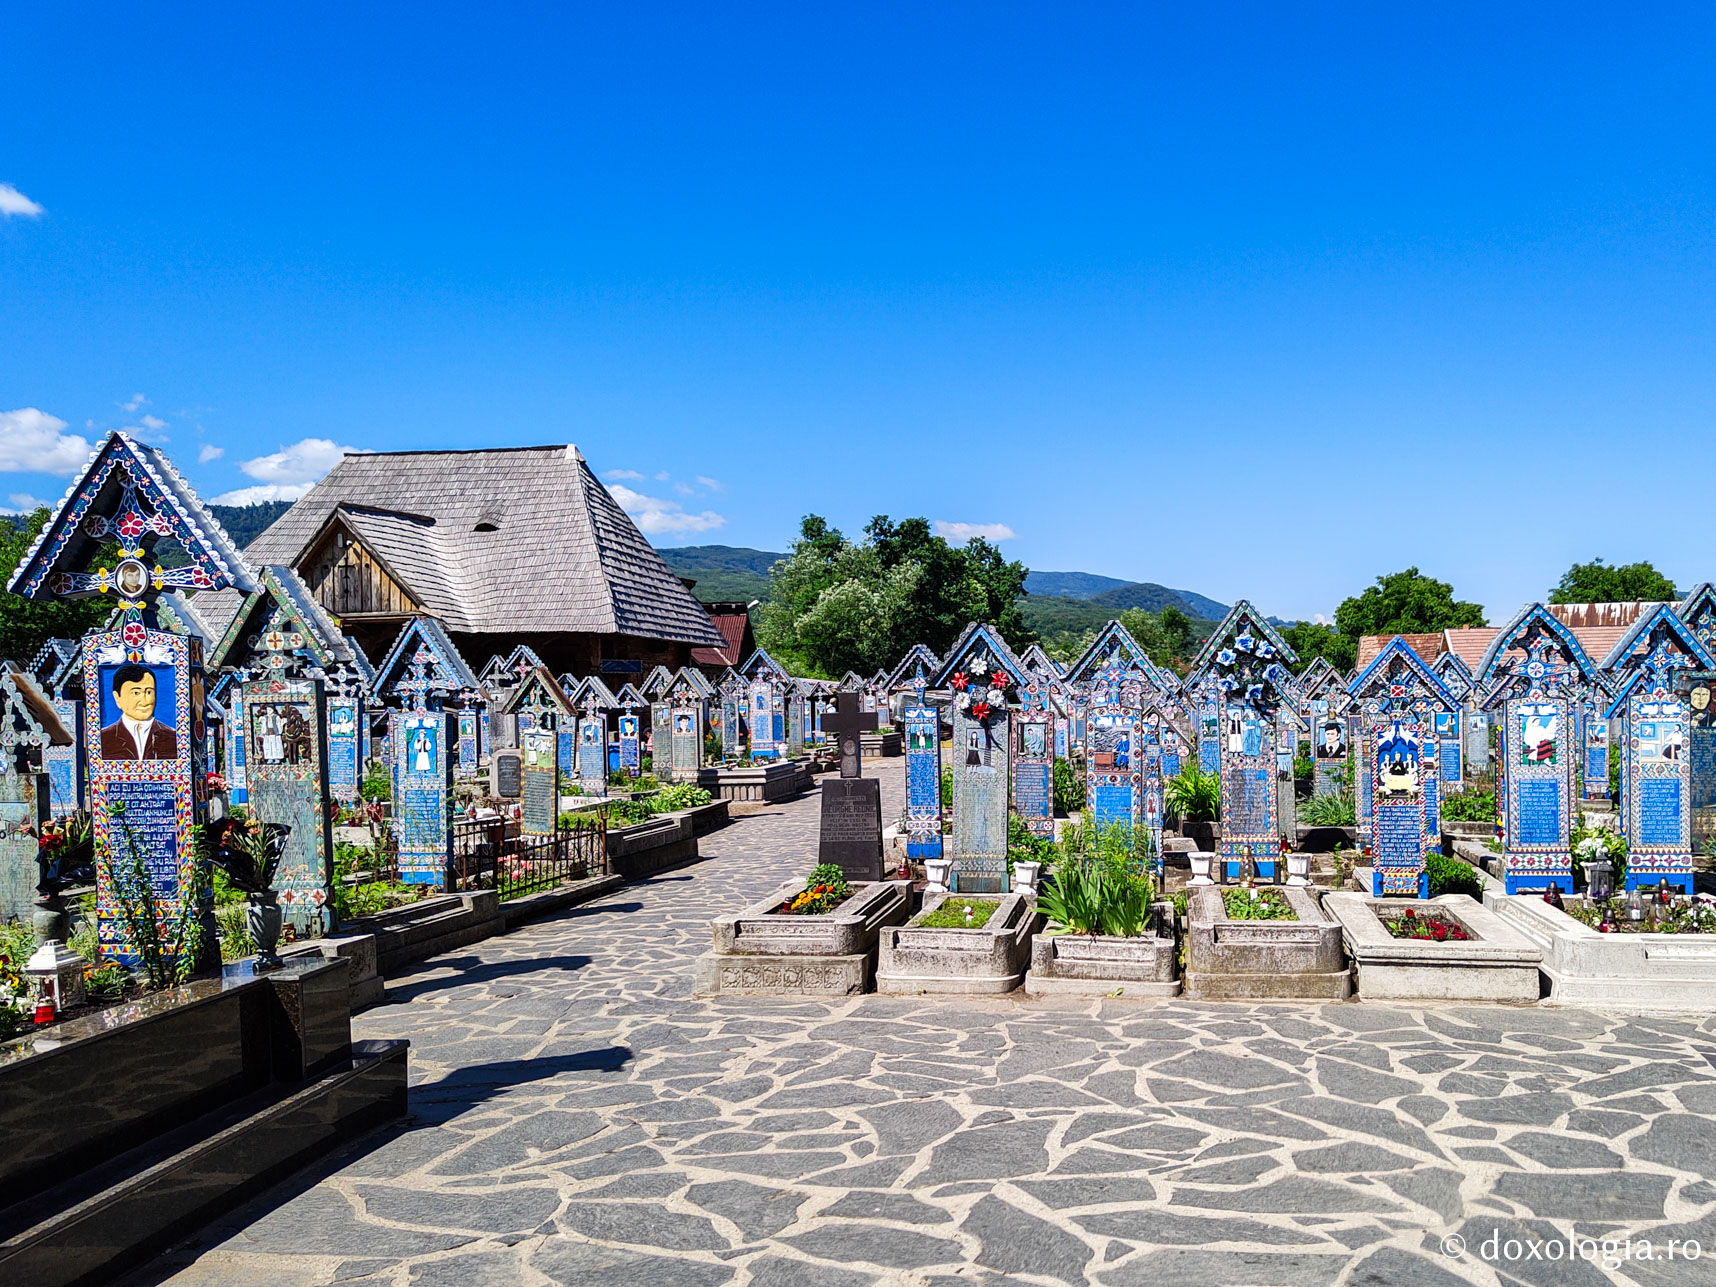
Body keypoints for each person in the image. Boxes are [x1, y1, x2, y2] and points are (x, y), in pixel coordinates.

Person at [100, 664, 177, 760]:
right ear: (117, 698)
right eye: (135, 693)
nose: (145, 701)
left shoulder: (173, 737)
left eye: (149, 692)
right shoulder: (103, 738)